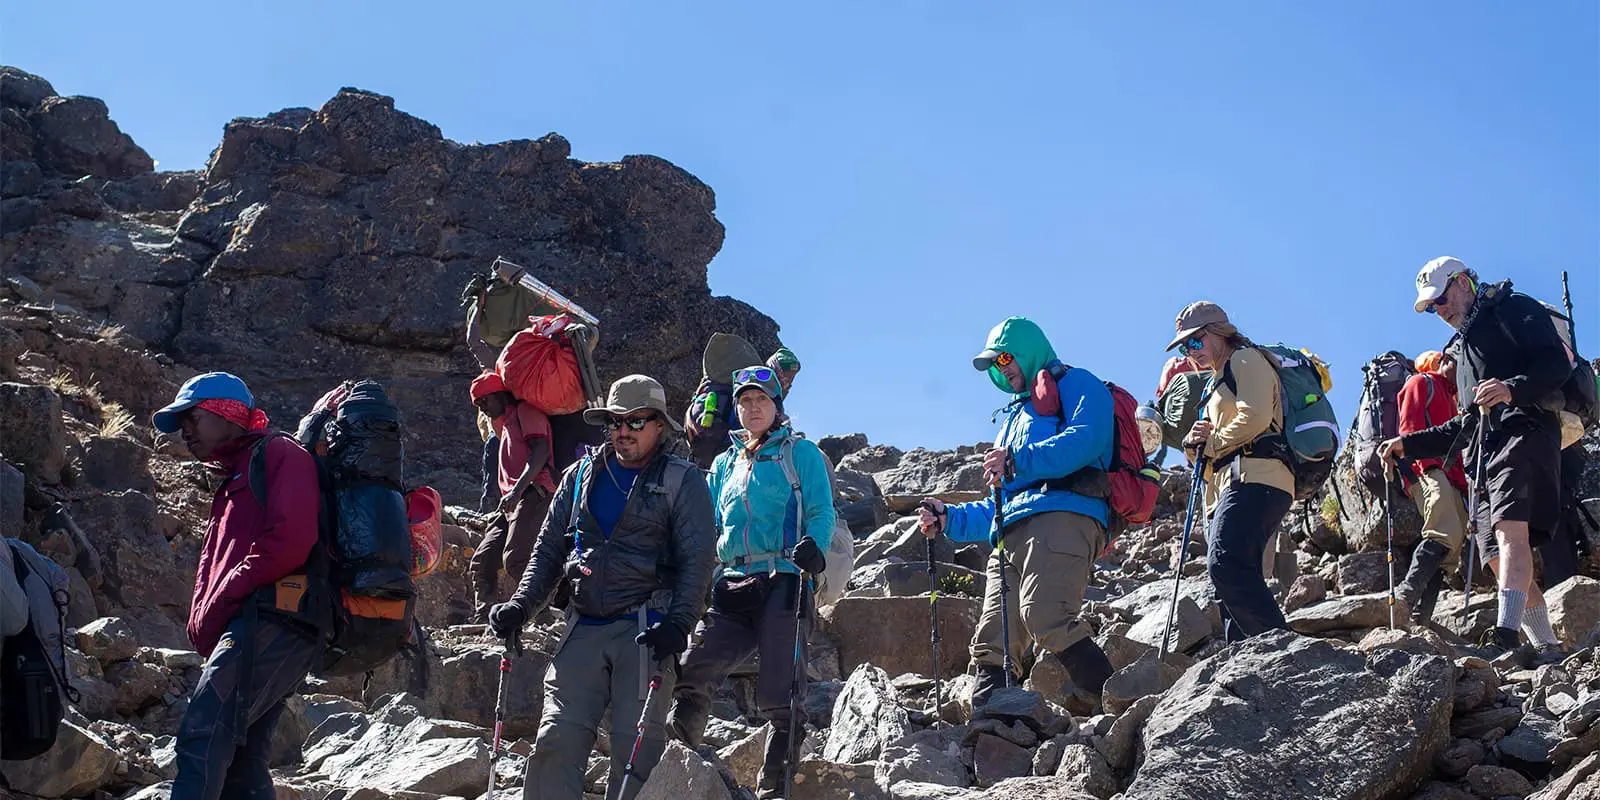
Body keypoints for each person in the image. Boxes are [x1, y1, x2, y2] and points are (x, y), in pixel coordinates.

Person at [489, 375, 716, 800]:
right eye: (614, 422)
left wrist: (679, 624)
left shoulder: (683, 482)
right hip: (583, 625)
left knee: (637, 754)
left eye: (634, 421)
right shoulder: (580, 476)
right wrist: (521, 605)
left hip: (648, 632)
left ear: (660, 425)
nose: (622, 431)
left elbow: (697, 562)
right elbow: (548, 550)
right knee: (555, 740)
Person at [914, 317, 1116, 711]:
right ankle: (992, 725)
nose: (1002, 367)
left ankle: (1122, 707)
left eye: (1006, 357)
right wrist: (948, 518)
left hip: (1064, 514)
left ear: (1028, 349)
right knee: (993, 639)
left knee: (1046, 616)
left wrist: (1018, 460)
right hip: (1008, 534)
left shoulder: (1078, 384)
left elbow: (1088, 438)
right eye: (994, 363)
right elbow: (998, 502)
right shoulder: (1011, 419)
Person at [1381, 257, 1572, 663]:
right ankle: (1547, 646)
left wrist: (1511, 388)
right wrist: (1406, 444)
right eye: (1431, 306)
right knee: (1492, 555)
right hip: (1483, 455)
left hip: (1525, 432)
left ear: (1464, 282)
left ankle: (1505, 634)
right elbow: (1465, 424)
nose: (1439, 310)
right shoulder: (1463, 347)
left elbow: (1556, 363)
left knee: (1508, 533)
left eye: (1441, 298)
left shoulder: (1514, 309)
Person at [151, 373, 321, 800]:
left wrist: (224, 598)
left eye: (191, 418)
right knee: (243, 761)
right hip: (263, 622)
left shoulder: (280, 454)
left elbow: (291, 541)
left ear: (227, 415)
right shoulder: (236, 474)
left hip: (272, 619)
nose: (185, 431)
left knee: (202, 733)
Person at [666, 366, 835, 799]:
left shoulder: (802, 454)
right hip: (731, 581)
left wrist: (814, 547)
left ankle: (776, 787)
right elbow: (709, 524)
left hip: (785, 580)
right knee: (693, 669)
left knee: (781, 691)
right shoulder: (724, 463)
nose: (752, 407)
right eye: (744, 401)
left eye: (761, 400)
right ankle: (671, 765)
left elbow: (821, 511)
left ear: (777, 407)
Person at [1167, 302, 1293, 643]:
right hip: (1232, 483)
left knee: (1225, 563)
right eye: (1184, 347)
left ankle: (1283, 649)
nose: (1190, 352)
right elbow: (1212, 454)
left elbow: (1254, 416)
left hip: (1257, 478)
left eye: (1195, 341)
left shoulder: (1244, 359)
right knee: (1232, 577)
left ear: (1219, 333)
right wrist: (1195, 448)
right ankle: (1242, 657)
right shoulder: (1217, 381)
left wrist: (1212, 443)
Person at [468, 371, 557, 623]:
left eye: (485, 401)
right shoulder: (503, 424)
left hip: (533, 493)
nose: (483, 408)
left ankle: (543, 615)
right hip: (511, 501)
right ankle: (483, 618)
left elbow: (540, 450)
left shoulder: (526, 412)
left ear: (500, 395)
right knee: (482, 560)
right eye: (478, 405)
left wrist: (517, 490)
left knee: (517, 559)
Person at [1392, 351, 1472, 624]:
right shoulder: (1421, 382)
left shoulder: (1454, 398)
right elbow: (1409, 429)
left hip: (1452, 478)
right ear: (1445, 360)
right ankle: (1405, 597)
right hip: (1429, 470)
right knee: (1442, 530)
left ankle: (1420, 616)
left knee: (1450, 545)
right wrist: (1424, 467)